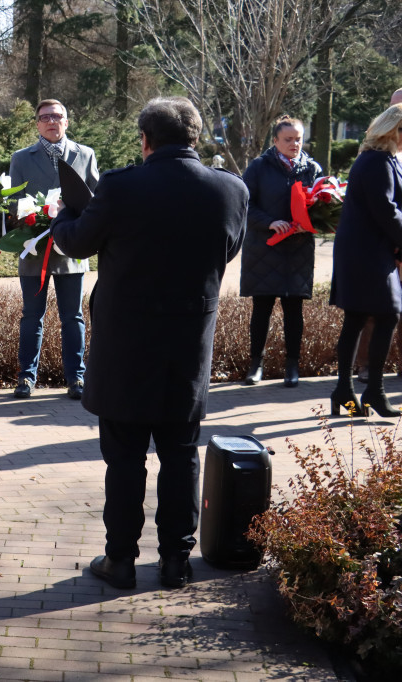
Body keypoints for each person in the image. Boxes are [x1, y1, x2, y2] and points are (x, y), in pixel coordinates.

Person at [52, 97, 247, 589]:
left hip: (126, 347)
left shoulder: (120, 186)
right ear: (195, 138)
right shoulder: (231, 190)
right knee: (181, 453)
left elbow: (76, 243)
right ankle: (176, 561)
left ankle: (119, 560)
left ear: (145, 140)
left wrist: (60, 218)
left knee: (124, 458)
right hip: (187, 344)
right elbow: (226, 250)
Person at [9, 99, 99, 400]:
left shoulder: (85, 155)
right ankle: (26, 378)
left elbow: (95, 200)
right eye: (45, 117)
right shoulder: (21, 158)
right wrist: (33, 214)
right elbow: (13, 201)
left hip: (72, 246)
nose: (51, 121)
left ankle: (77, 378)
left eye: (57, 116)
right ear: (37, 123)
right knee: (31, 316)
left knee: (72, 316)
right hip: (35, 247)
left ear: (66, 122)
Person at [329, 104, 402, 418]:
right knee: (388, 313)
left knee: (357, 318)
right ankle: (371, 390)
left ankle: (345, 393)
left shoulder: (377, 160)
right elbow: (386, 210)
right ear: (395, 130)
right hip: (367, 252)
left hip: (364, 250)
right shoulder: (377, 162)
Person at [239, 116, 322, 387]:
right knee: (262, 308)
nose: (294, 144)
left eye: (298, 139)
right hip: (265, 248)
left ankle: (292, 367)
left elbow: (323, 205)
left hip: (297, 250)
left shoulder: (311, 168)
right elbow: (244, 204)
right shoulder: (259, 167)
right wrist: (269, 222)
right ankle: (255, 366)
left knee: (293, 309)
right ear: (275, 141)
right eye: (288, 139)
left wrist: (310, 223)